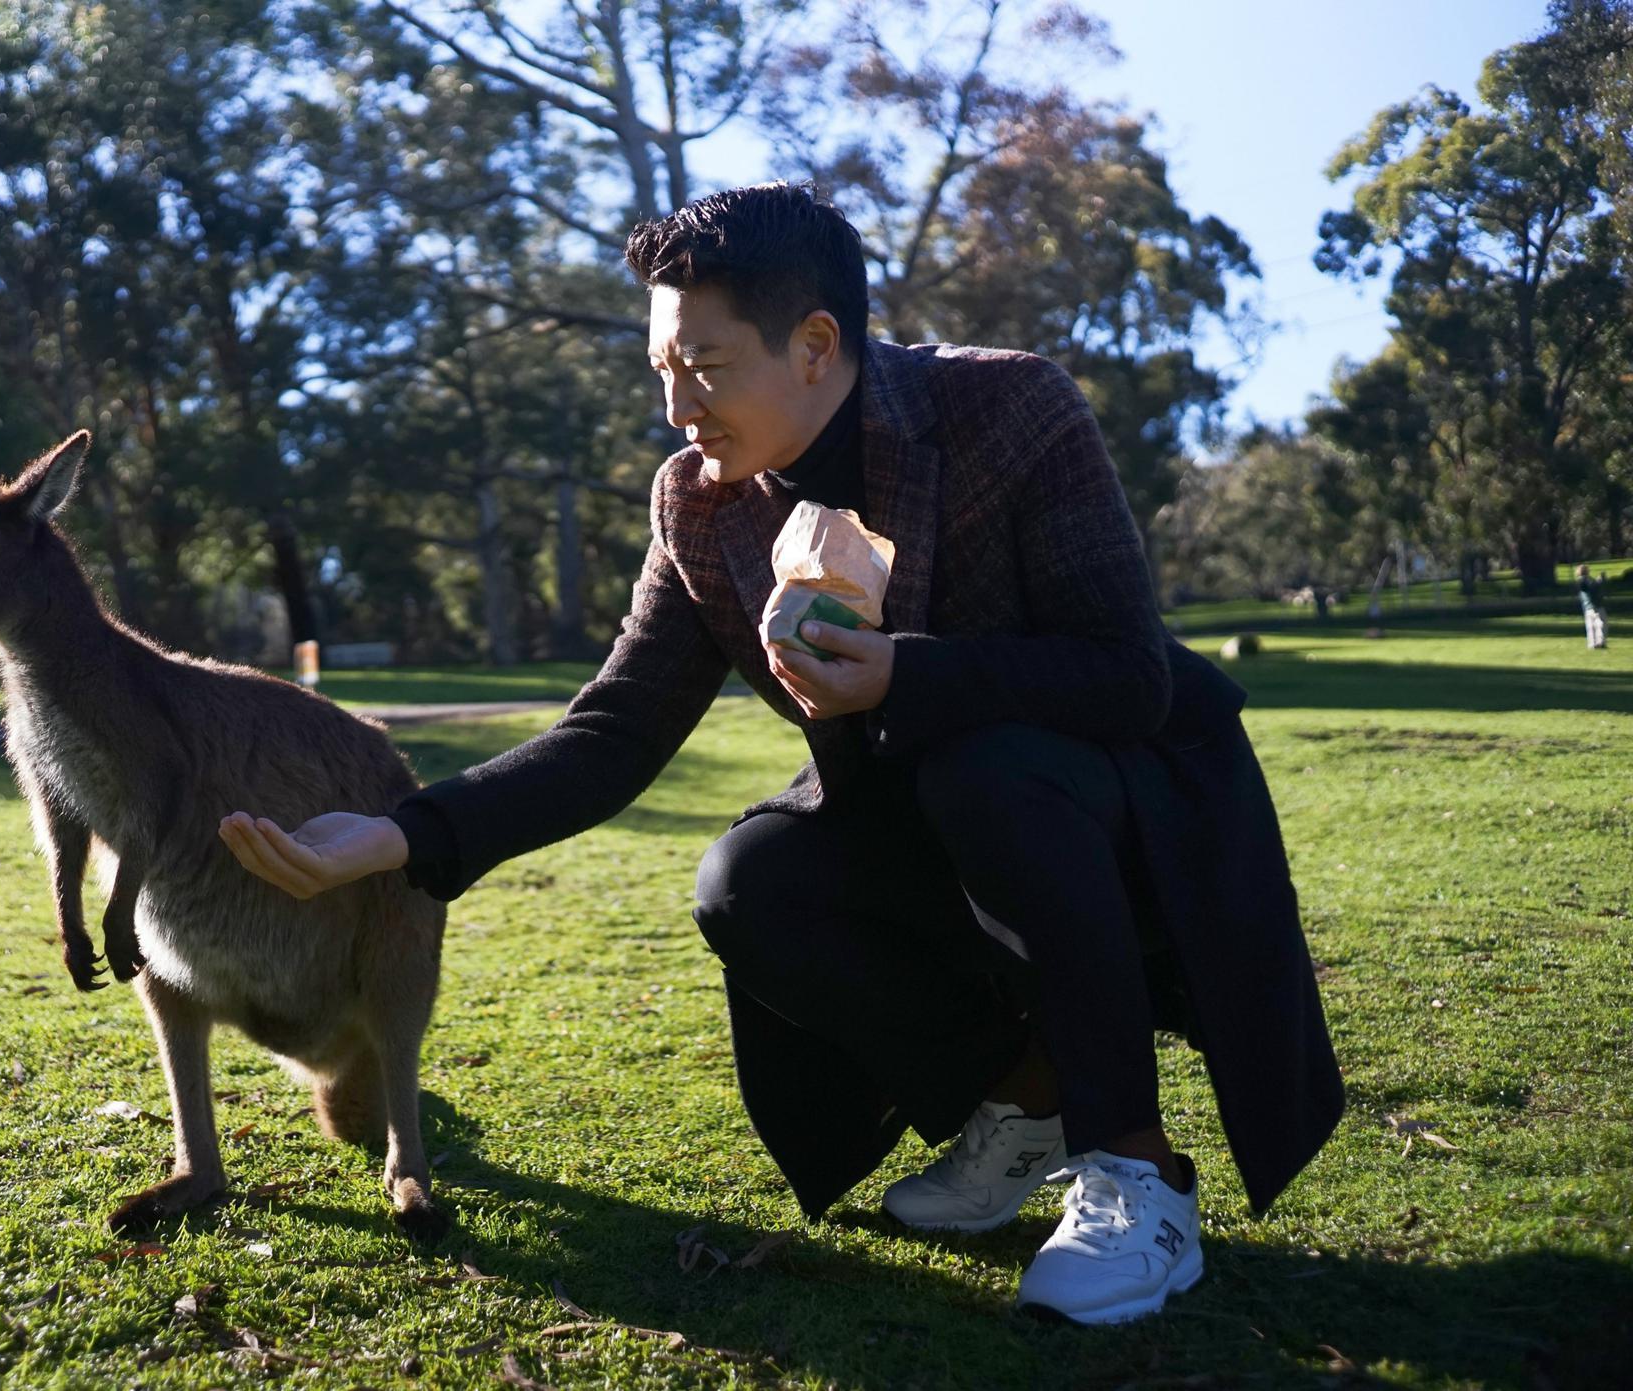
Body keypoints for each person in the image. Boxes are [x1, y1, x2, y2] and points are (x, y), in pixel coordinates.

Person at [218, 183, 1342, 1326]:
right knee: (747, 880)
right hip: (924, 818)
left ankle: (1135, 1171)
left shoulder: (1005, 408)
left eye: (703, 367)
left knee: (985, 771)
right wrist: (400, 835)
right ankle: (1022, 1098)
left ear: (812, 345)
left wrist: (906, 673)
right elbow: (614, 727)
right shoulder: (698, 505)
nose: (676, 407)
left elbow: (1125, 674)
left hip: (1122, 812)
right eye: (661, 368)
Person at [1577, 564, 1608, 649]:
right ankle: (1600, 642)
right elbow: (1593, 587)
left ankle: (1592, 643)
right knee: (1601, 624)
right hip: (1595, 606)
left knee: (1590, 626)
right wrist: (1600, 580)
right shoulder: (1585, 580)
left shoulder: (1580, 580)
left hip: (1587, 607)